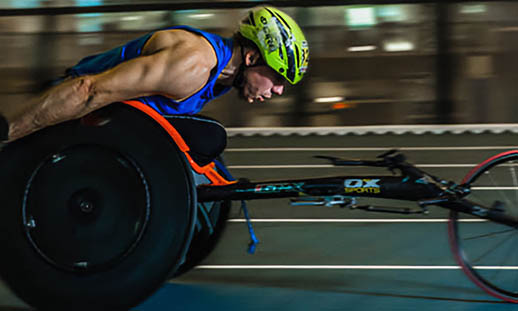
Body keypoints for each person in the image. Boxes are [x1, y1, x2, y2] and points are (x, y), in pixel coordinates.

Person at [0, 6, 309, 161]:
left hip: (110, 134)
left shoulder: (222, 78)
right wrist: (8, 134)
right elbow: (89, 90)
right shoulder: (192, 65)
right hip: (69, 114)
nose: (279, 90)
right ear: (253, 58)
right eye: (278, 77)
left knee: (208, 138)